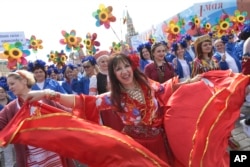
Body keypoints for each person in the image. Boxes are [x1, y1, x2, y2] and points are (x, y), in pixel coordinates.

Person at [26, 53, 202, 165]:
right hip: (136, 147)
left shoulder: (148, 85)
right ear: (114, 74)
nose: (124, 71)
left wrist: (192, 81)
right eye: (118, 69)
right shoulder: (113, 97)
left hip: (160, 142)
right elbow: (82, 101)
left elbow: (168, 88)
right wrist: (48, 93)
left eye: (126, 66)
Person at [0, 70, 76, 166]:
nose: (10, 88)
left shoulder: (44, 98)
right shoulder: (12, 107)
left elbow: (66, 113)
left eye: (12, 84)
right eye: (9, 85)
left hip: (54, 152)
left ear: (24, 81)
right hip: (32, 157)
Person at [0, 77, 16, 167]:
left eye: (2, 92)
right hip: (3, 134)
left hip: (14, 132)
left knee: (18, 155)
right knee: (8, 156)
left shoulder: (12, 103)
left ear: (6, 93)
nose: (0, 94)